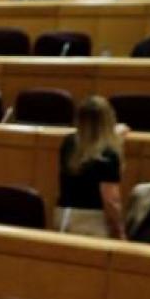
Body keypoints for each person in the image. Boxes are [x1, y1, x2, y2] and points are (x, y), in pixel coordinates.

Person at [57, 95, 127, 239]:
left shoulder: (69, 143)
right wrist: (119, 231)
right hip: (92, 222)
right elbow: (110, 201)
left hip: (63, 215)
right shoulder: (109, 154)